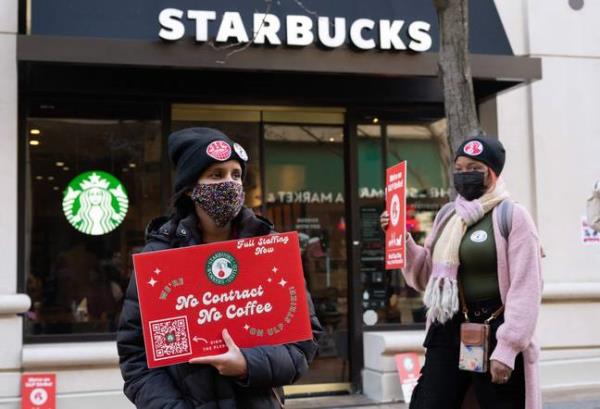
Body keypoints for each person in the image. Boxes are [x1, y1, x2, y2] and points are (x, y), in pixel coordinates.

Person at [117, 127, 322, 409]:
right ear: (190, 188)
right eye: (216, 175)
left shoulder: (268, 250)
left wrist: (247, 365)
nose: (230, 183)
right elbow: (135, 357)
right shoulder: (160, 259)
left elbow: (303, 344)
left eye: (236, 175)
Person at [381, 136, 542, 409]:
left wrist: (508, 348)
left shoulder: (512, 216)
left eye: (473, 168)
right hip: (448, 324)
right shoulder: (447, 215)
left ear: (491, 173)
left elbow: (526, 287)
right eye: (459, 167)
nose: (464, 174)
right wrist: (402, 240)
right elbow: (424, 277)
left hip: (494, 327)